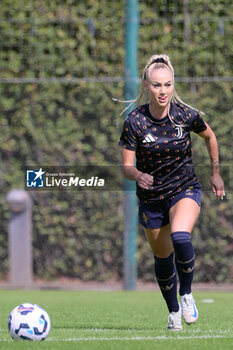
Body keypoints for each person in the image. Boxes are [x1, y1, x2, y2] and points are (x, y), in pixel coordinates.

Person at [118, 54, 225, 331]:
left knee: (180, 236)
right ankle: (173, 311)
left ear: (173, 85)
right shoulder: (135, 122)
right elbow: (126, 166)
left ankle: (186, 294)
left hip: (184, 188)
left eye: (167, 85)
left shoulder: (185, 115)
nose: (162, 91)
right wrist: (138, 174)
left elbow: (210, 137)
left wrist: (214, 172)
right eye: (156, 85)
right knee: (163, 259)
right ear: (146, 86)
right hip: (152, 199)